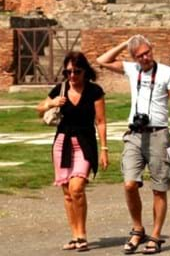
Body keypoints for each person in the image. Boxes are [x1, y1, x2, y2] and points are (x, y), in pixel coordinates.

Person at [96, 36, 170, 255]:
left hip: (159, 134)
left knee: (159, 188)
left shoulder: (166, 72)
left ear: (152, 49)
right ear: (133, 57)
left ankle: (155, 236)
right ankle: (138, 229)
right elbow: (102, 60)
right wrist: (124, 43)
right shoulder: (131, 68)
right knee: (129, 183)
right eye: (140, 55)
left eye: (147, 52)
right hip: (135, 134)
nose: (145, 58)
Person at [36, 52, 108, 252]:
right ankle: (75, 236)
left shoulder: (94, 91)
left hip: (85, 143)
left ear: (85, 71)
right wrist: (51, 103)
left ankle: (82, 234)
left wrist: (104, 149)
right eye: (68, 72)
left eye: (77, 71)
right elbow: (39, 108)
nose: (72, 76)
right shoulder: (60, 89)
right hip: (62, 143)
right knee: (67, 193)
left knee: (77, 188)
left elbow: (101, 122)